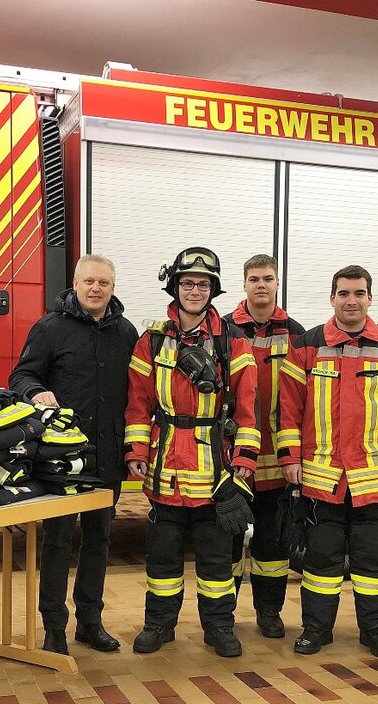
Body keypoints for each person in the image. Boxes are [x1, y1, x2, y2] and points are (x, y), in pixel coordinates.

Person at [124, 246, 260, 658]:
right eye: (188, 283)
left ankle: (219, 628)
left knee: (217, 563)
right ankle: (159, 625)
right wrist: (136, 448)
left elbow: (248, 409)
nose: (195, 291)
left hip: (214, 470)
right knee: (162, 560)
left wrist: (243, 465)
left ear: (213, 289)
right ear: (175, 286)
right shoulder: (150, 339)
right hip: (165, 466)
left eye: (203, 284)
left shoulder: (233, 343)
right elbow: (138, 402)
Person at [278, 265, 378, 658]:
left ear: (371, 298)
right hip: (322, 476)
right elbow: (289, 409)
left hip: (374, 477)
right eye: (343, 293)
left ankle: (376, 630)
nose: (351, 301)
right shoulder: (305, 345)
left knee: (373, 563)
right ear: (332, 298)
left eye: (359, 293)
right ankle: (316, 630)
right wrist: (290, 458)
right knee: (320, 561)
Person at [8, 254, 138, 655]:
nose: (96, 289)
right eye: (89, 282)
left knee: (99, 539)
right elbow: (21, 375)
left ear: (113, 288)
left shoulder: (127, 333)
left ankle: (90, 622)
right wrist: (35, 392)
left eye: (104, 283)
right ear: (75, 284)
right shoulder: (51, 328)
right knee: (58, 541)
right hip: (64, 459)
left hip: (108, 457)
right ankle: (53, 628)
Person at [224, 254, 305, 638]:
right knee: (226, 540)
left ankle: (269, 612)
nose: (261, 285)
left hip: (276, 456)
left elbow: (303, 398)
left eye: (268, 278)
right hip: (231, 455)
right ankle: (221, 616)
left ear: (277, 283)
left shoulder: (296, 332)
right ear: (244, 284)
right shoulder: (224, 329)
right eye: (254, 278)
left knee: (272, 544)